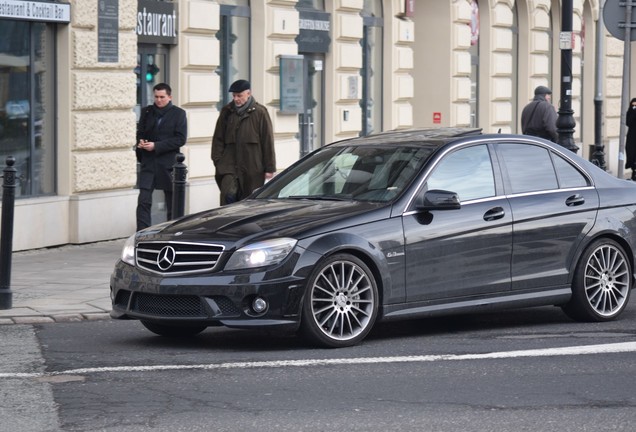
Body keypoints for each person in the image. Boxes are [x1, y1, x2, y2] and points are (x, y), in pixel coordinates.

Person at [211, 79, 276, 205]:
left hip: (252, 167)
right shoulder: (227, 112)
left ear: (248, 94)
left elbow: (267, 141)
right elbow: (218, 139)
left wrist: (269, 168)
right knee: (228, 195)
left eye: (239, 95)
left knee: (249, 202)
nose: (236, 99)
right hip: (229, 166)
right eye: (234, 96)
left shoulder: (260, 112)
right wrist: (218, 161)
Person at [135, 82, 187, 231]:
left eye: (162, 97)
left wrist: (156, 146)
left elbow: (180, 139)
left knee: (172, 201)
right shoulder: (146, 112)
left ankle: (172, 231)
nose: (158, 100)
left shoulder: (179, 114)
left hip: (168, 163)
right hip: (148, 163)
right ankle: (142, 232)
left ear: (169, 97)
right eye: (156, 97)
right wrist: (141, 143)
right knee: (144, 200)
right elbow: (140, 133)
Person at [625, 98, 636, 180]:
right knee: (631, 153)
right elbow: (628, 122)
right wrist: (633, 110)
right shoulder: (630, 111)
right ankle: (633, 170)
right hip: (632, 136)